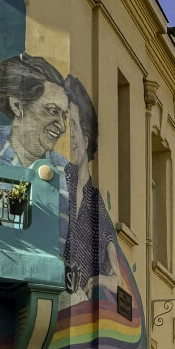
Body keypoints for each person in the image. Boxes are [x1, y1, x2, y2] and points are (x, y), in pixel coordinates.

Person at [62, 75, 121, 298]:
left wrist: (101, 279)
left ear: (86, 141)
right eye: (66, 125)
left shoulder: (95, 201)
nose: (68, 135)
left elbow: (118, 278)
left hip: (81, 305)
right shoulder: (61, 180)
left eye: (73, 126)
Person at [0, 54, 69, 170]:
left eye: (64, 116)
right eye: (53, 111)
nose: (62, 127)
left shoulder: (66, 170)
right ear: (17, 106)